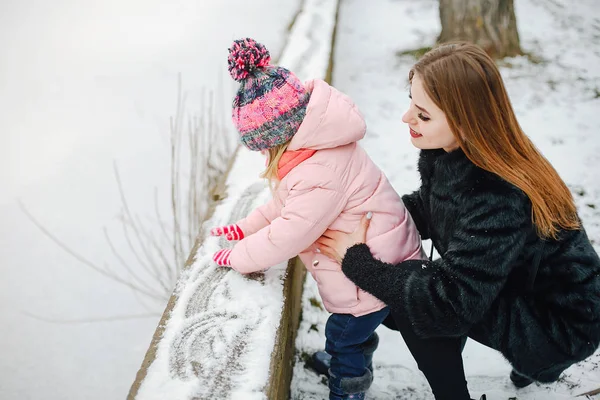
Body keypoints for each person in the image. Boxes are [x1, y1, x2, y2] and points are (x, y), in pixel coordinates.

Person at [313, 42, 600, 400]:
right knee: (410, 283)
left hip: (560, 325)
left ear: (467, 124)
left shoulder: (498, 195)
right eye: (410, 102)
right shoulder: (466, 153)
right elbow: (434, 209)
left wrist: (357, 260)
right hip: (522, 288)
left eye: (424, 114)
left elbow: (448, 303)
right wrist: (365, 216)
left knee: (415, 297)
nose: (406, 118)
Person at [210, 38, 425, 400]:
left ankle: (349, 387)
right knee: (350, 333)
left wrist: (238, 257)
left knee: (344, 336)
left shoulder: (318, 170)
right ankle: (350, 355)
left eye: (264, 146)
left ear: (278, 135)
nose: (264, 154)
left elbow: (289, 234)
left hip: (368, 275)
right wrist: (247, 227)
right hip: (379, 258)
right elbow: (285, 208)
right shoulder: (312, 149)